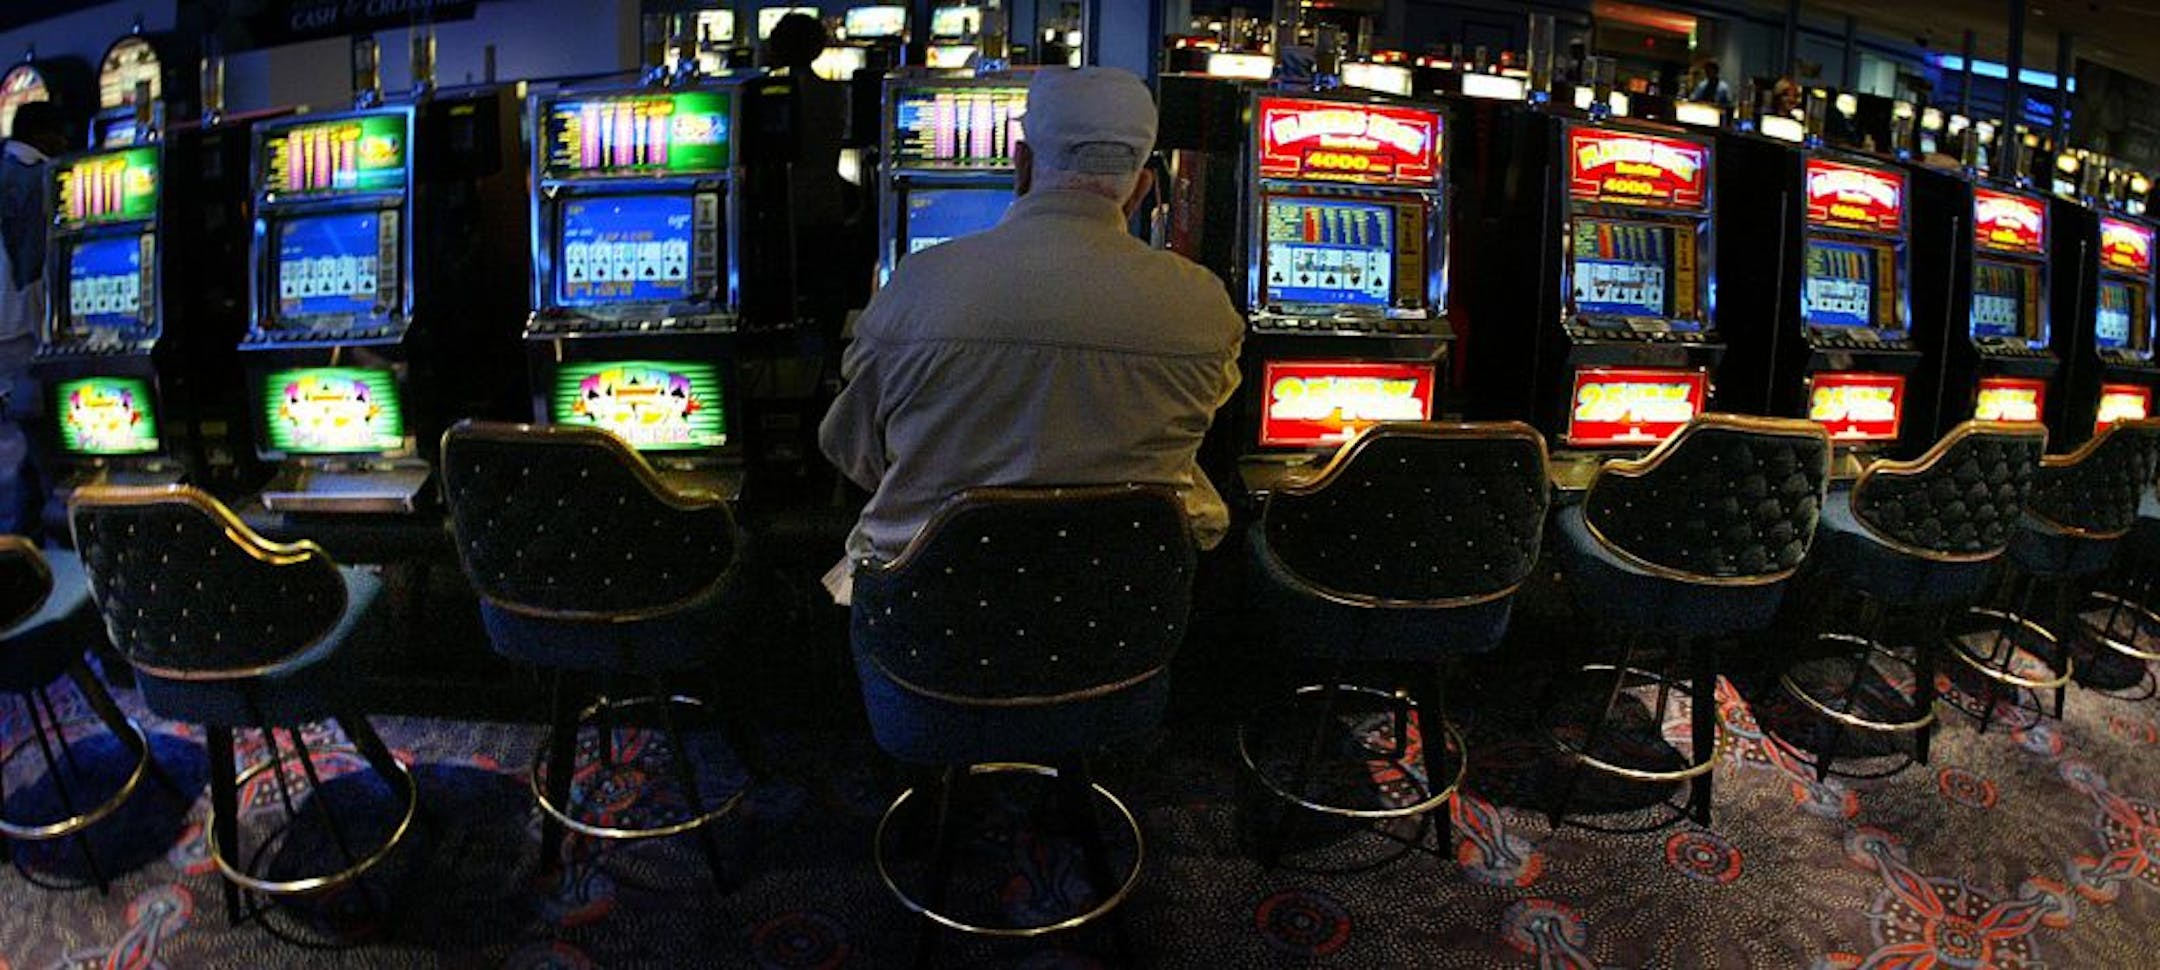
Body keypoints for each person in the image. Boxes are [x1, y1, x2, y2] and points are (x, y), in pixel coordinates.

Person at [817, 66, 1243, 605]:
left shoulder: (918, 282)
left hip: (927, 627)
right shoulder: (1203, 305)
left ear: (1020, 166)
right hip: (1117, 624)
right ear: (1141, 190)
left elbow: (850, 450)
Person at [0, 101, 68, 538]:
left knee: (13, 435)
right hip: (22, 323)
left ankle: (20, 529)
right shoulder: (38, 175)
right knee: (33, 430)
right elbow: (32, 264)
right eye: (59, 132)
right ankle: (41, 524)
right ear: (42, 134)